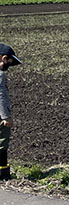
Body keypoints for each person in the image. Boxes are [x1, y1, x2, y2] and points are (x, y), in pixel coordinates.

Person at [0, 43, 23, 181]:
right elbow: (1, 95)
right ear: (3, 58)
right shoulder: (0, 75)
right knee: (2, 143)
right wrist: (6, 117)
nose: (9, 65)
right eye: (9, 61)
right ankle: (3, 175)